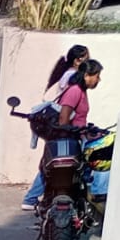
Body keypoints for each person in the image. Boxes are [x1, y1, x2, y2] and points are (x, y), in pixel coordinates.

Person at [21, 45, 90, 209]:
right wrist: (68, 129)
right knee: (54, 164)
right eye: (86, 58)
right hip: (67, 130)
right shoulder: (72, 78)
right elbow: (67, 107)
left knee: (50, 163)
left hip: (64, 128)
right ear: (77, 60)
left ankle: (33, 198)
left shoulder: (69, 75)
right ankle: (31, 198)